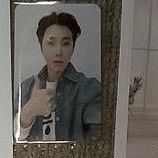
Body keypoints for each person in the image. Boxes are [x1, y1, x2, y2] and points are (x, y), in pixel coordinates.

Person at [17, 10, 101, 142]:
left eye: (66, 43)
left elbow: (99, 142)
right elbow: (8, 141)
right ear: (41, 46)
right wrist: (29, 111)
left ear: (73, 47)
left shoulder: (90, 89)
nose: (58, 51)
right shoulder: (26, 87)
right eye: (51, 43)